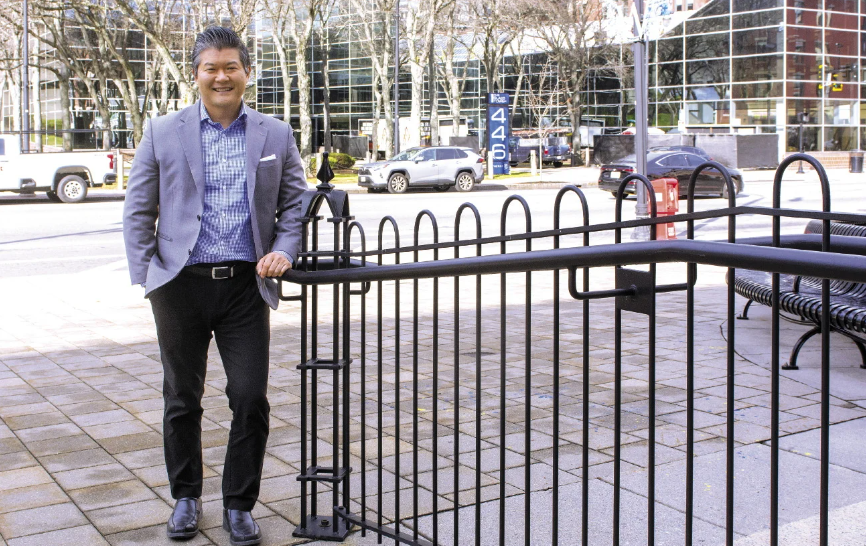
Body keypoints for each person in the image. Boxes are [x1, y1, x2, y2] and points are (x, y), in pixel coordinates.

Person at [123, 26, 307, 546]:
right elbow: (138, 207)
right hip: (180, 286)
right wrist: (150, 277)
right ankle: (185, 497)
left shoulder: (275, 134)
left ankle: (238, 504)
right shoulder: (163, 130)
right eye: (211, 68)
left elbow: (294, 204)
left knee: (249, 396)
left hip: (246, 287)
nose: (221, 76)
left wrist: (285, 250)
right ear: (197, 75)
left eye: (231, 67)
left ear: (246, 73)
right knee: (182, 396)